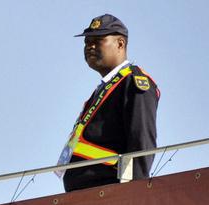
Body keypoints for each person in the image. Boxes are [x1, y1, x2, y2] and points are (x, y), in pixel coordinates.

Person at [58, 14, 159, 192]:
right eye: (87, 42)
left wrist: (134, 193)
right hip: (86, 195)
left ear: (120, 44)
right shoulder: (104, 88)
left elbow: (141, 142)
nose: (90, 46)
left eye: (98, 40)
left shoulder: (133, 81)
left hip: (108, 194)